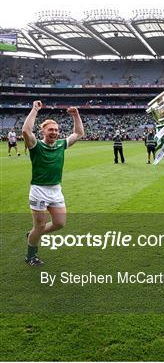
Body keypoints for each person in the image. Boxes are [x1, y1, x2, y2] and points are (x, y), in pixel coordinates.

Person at [22, 101, 84, 266]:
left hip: (56, 189)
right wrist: (35, 109)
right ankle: (31, 256)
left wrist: (76, 115)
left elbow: (78, 133)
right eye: (51, 130)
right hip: (39, 190)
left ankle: (33, 234)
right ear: (43, 131)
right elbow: (26, 130)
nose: (54, 132)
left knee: (59, 223)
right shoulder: (36, 145)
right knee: (40, 226)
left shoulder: (60, 145)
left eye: (56, 130)